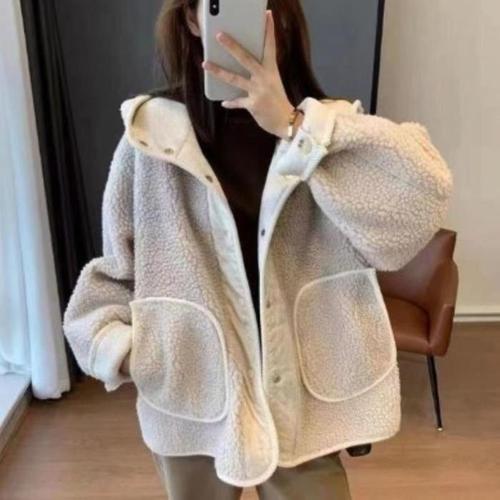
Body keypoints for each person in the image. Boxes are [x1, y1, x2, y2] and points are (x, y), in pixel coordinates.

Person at [62, 1, 453, 499]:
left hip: (303, 397)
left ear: (282, 15)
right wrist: (132, 353)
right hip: (192, 391)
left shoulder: (326, 129)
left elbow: (423, 197)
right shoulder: (150, 137)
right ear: (191, 19)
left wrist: (293, 125)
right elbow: (116, 273)